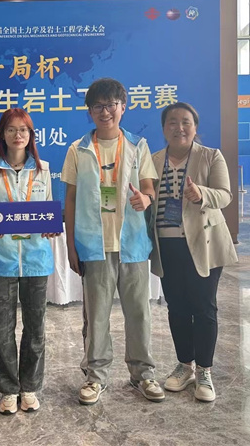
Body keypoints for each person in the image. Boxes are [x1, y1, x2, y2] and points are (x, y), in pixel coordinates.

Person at [62, 77, 163, 405]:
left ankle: (143, 373)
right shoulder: (78, 150)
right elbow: (70, 200)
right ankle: (96, 376)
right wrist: (70, 246)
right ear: (90, 111)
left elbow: (149, 187)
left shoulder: (138, 145)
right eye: (98, 106)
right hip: (94, 245)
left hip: (132, 244)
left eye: (111, 105)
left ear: (123, 107)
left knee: (139, 313)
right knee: (96, 316)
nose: (105, 112)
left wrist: (145, 199)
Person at [149, 102, 238, 403]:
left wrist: (202, 193)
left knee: (203, 307)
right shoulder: (153, 160)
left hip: (204, 244)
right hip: (167, 245)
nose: (179, 127)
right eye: (172, 122)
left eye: (185, 121)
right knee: (176, 307)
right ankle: (184, 365)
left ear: (195, 127)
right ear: (164, 128)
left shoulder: (211, 156)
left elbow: (225, 195)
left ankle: (204, 371)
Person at [0, 108, 59, 415]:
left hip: (36, 258)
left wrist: (51, 225)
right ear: (2, 135)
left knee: (36, 327)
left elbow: (48, 209)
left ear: (31, 135)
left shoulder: (43, 169)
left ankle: (30, 387)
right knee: (2, 328)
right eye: (11, 129)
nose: (18, 135)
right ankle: (8, 389)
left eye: (23, 129)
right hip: (2, 259)